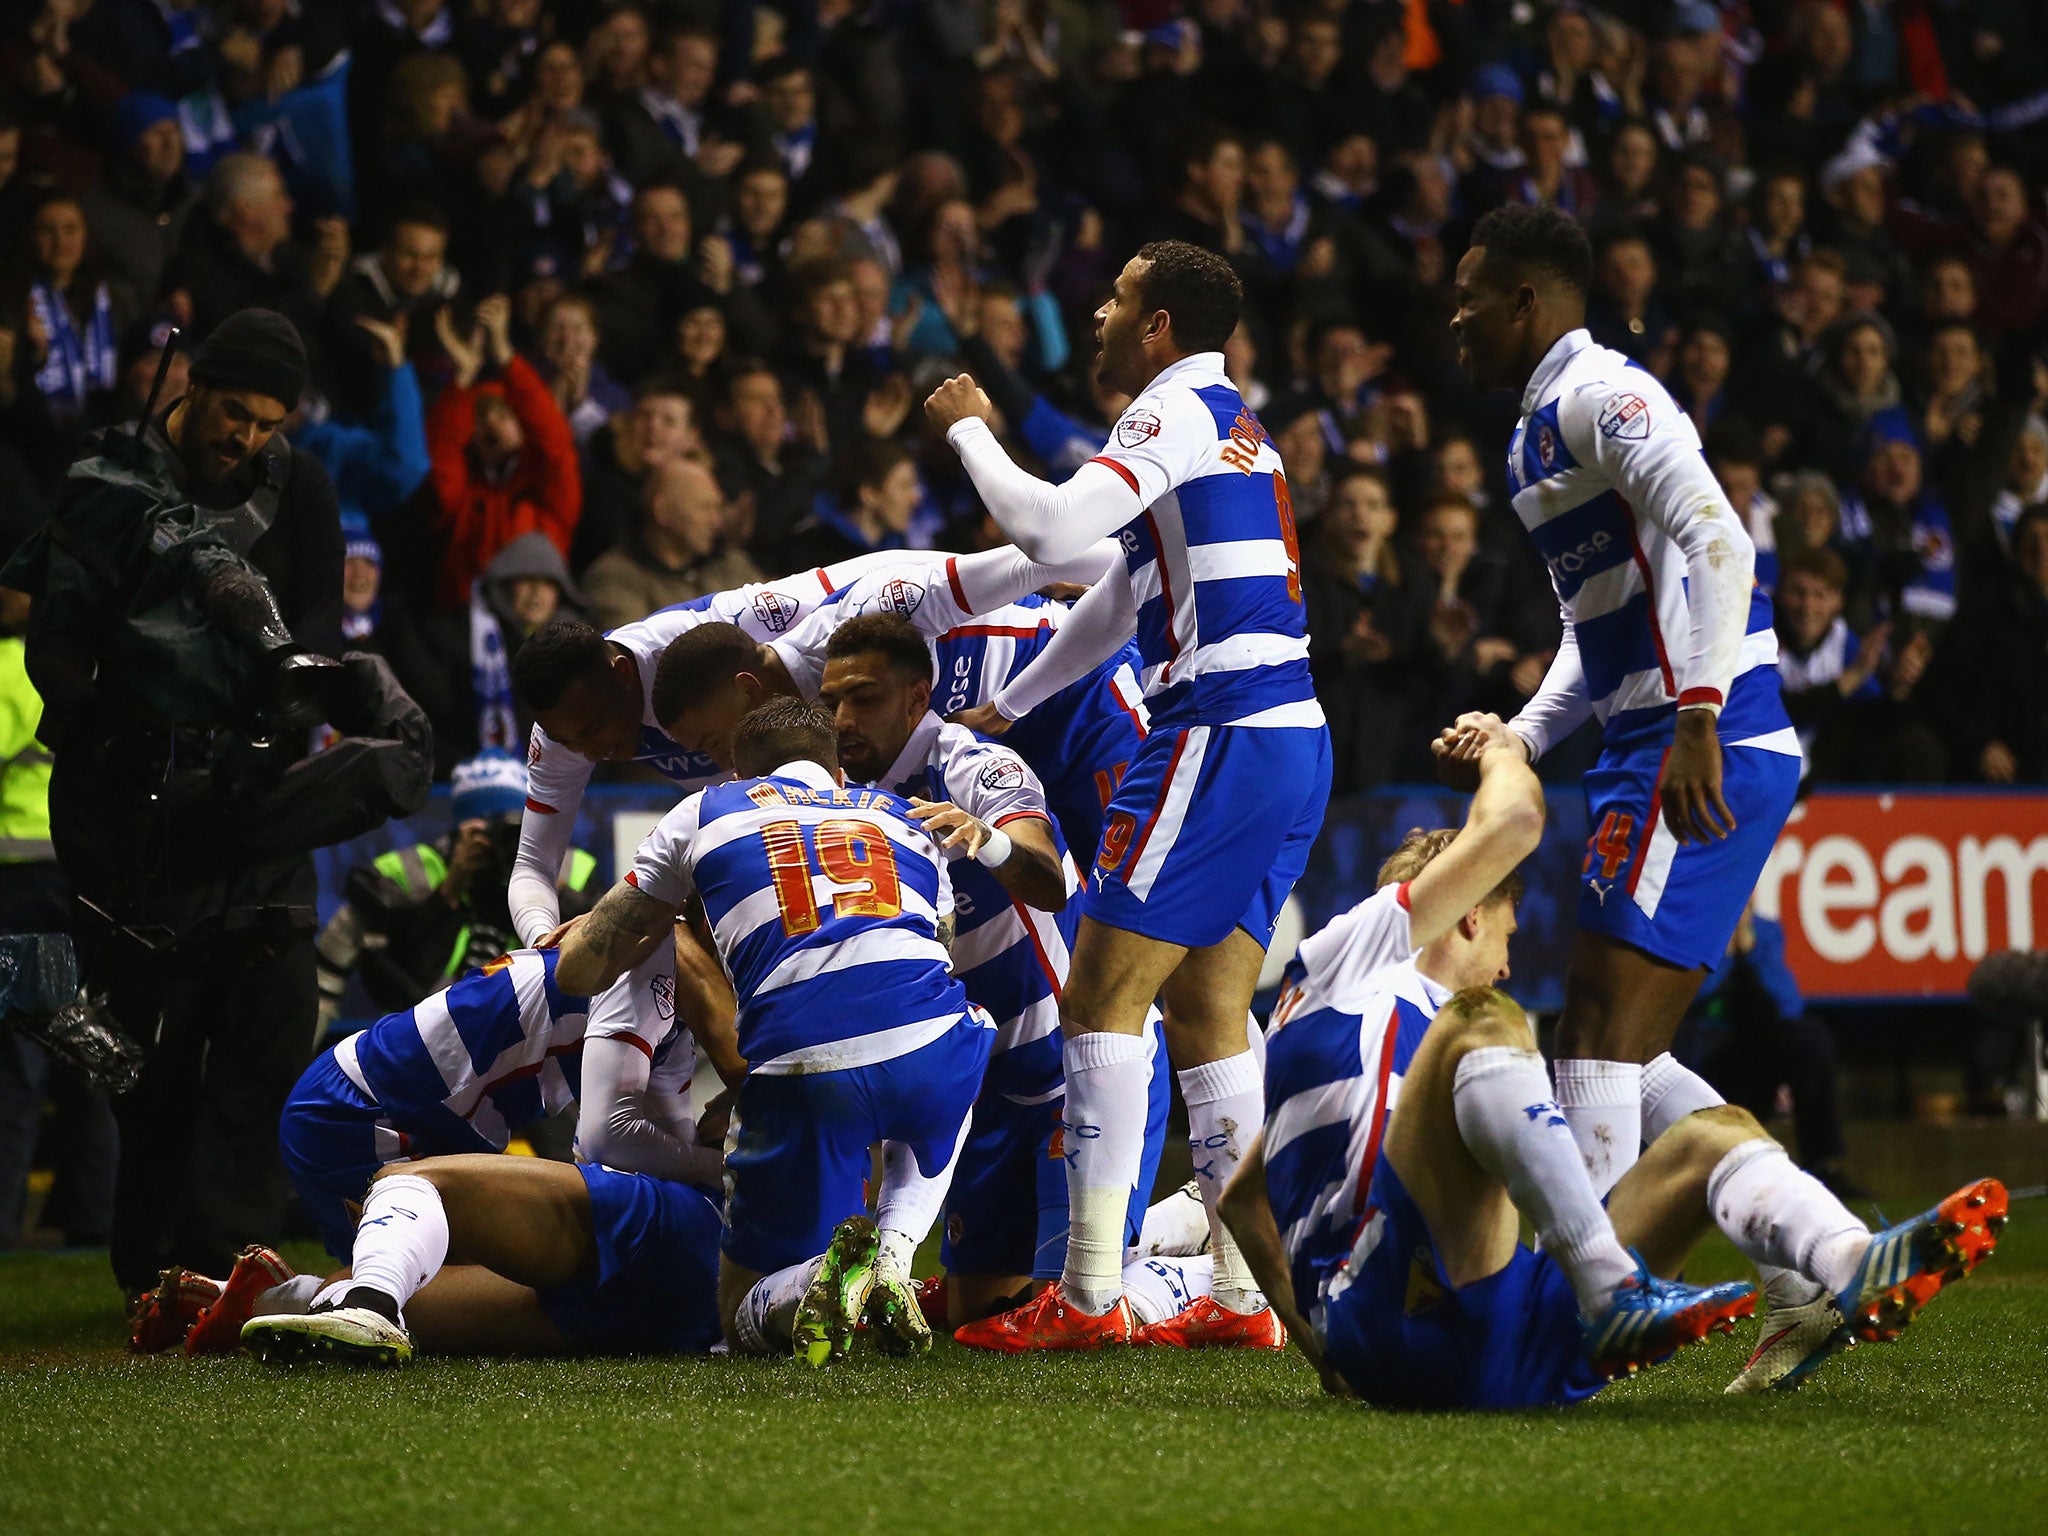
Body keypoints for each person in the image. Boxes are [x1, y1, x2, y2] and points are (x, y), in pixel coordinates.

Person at [1222, 724, 2007, 1404]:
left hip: (1499, 1348)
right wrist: (1503, 749)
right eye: (1507, 934)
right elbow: (1517, 820)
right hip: (1399, 1315)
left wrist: (1318, 1353)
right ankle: (1609, 1289)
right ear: (1466, 913)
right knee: (1485, 1022)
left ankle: (1843, 1265)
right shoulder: (1347, 960)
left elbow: (1241, 1198)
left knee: (1713, 1133)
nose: (1506, 963)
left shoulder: (1337, 1029)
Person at [923, 239, 1331, 1348]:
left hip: (1218, 725)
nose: (1098, 314)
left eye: (1115, 299)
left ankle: (1090, 1295)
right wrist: (1015, 700)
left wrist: (969, 428)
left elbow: (1053, 532)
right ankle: (1242, 1301)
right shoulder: (1235, 424)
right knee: (1208, 1011)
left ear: (1157, 327)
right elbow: (1120, 589)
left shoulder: (1171, 410)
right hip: (1288, 735)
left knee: (1098, 995)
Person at [1441, 202, 1801, 1207]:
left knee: (1596, 1038)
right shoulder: (1530, 441)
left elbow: (1720, 539)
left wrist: (1697, 717)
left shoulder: (1607, 398)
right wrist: (1522, 735)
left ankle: (1597, 1289)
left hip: (1702, 736)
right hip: (1652, 735)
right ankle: (1816, 1251)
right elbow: (1588, 625)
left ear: (1524, 301)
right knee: (1615, 1046)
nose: (1454, 320)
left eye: (1469, 300)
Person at [6, 307, 362, 1298]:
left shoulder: (301, 486)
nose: (246, 438)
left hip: (257, 794)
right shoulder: (109, 481)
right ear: (192, 386)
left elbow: (320, 627)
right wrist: (103, 734)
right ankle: (152, 1259)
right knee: (149, 1055)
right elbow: (57, 645)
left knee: (271, 1023)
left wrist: (280, 723)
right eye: (234, 412)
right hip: (130, 807)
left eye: (268, 423)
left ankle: (228, 1258)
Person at [555, 697, 995, 1365]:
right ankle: (895, 1255)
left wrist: (654, 915)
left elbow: (578, 972)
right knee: (962, 1028)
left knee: (738, 1314)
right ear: (837, 772)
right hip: (932, 1053)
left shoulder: (705, 812)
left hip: (804, 1073)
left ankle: (820, 1279)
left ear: (739, 774)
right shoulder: (905, 816)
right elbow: (937, 951)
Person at [809, 613, 1172, 1329]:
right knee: (976, 1314)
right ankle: (1162, 1232)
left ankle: (1195, 1257)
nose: (844, 719)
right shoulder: (840, 802)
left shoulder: (972, 765)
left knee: (1071, 1308)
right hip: (988, 1089)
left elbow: (1049, 880)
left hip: (1075, 1071)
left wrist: (990, 842)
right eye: (832, 702)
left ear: (917, 698)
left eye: (865, 698)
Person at [278, 932, 715, 1260]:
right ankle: (272, 1296)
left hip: (415, 1115)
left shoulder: (669, 1017)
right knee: (443, 1289)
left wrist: (713, 1169)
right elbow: (608, 1142)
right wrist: (729, 1165)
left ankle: (271, 1290)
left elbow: (667, 1152)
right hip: (359, 1111)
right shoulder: (641, 978)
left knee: (479, 1279)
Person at [236, 1153, 726, 1364]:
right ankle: (239, 1300)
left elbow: (609, 1124)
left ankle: (371, 1307)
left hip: (689, 1232)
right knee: (346, 1287)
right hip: (701, 1321)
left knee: (407, 1180)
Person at [312, 749, 598, 1024]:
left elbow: (602, 954)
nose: (500, 843)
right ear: (461, 830)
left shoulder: (568, 869)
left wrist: (543, 879)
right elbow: (399, 984)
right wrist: (450, 890)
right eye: (487, 830)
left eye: (514, 831)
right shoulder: (412, 873)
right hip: (427, 1032)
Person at [426, 294, 582, 610]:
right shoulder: (465, 493)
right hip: (465, 623)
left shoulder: (547, 496)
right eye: (481, 418)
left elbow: (553, 440)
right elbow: (442, 453)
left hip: (537, 622)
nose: (491, 425)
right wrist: (464, 377)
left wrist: (506, 357)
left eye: (503, 415)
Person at [582, 459, 762, 630]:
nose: (716, 522)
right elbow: (634, 648)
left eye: (717, 508)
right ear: (662, 511)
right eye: (705, 508)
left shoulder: (732, 566)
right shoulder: (615, 578)